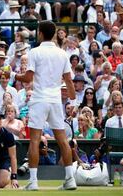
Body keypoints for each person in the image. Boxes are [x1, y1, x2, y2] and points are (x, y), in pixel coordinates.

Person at [14, 20, 77, 190]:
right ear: (54, 34)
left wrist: (13, 74)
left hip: (40, 100)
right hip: (55, 102)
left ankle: (33, 182)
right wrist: (73, 102)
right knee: (63, 140)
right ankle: (70, 179)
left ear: (40, 33)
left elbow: (27, 78)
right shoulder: (62, 54)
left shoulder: (34, 52)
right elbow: (69, 81)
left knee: (34, 141)